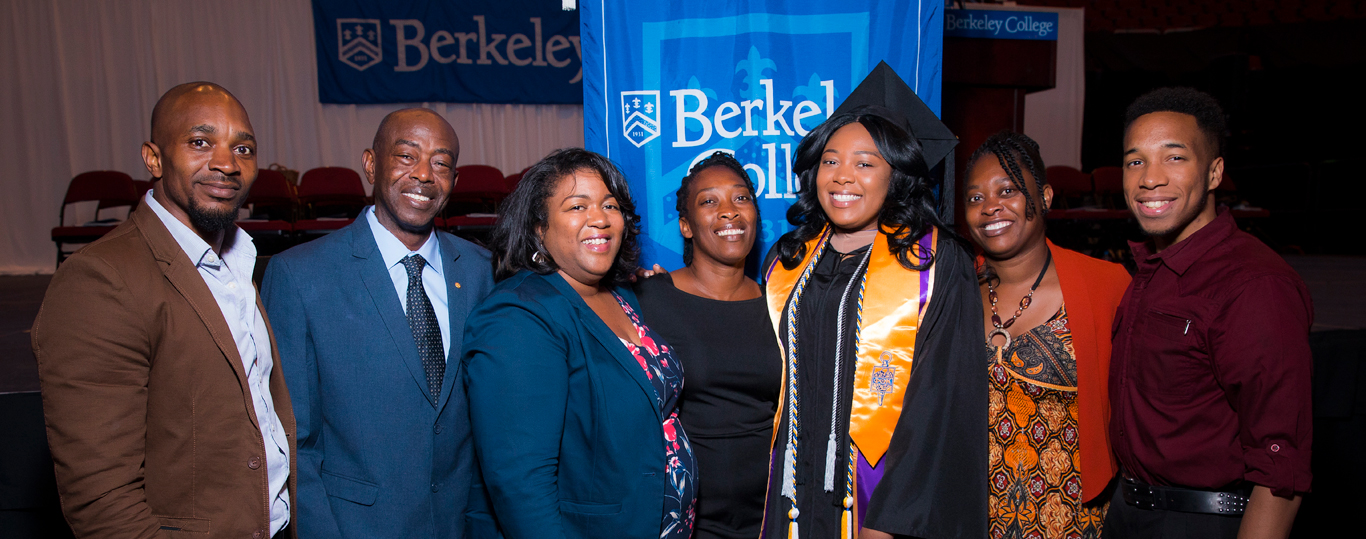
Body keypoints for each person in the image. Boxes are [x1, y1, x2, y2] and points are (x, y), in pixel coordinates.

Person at [32, 82, 294, 538]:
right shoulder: (100, 280)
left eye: (243, 148)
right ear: (153, 158)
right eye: (200, 142)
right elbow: (102, 499)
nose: (227, 163)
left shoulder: (237, 263)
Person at [260, 108, 493, 538]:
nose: (424, 174)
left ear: (455, 182)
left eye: (441, 163)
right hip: (355, 527)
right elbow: (294, 441)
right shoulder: (300, 276)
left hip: (462, 524)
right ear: (370, 164)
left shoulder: (483, 271)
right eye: (406, 156)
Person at [760, 106, 987, 539]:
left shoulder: (932, 263)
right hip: (795, 492)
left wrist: (889, 519)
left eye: (865, 163)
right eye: (831, 160)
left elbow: (940, 402)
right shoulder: (788, 259)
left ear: (896, 175)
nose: (843, 176)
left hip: (880, 496)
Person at [1106, 87, 1312, 539]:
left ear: (1215, 172)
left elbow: (1281, 467)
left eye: (1174, 158)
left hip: (1203, 523)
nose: (1149, 178)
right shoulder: (1149, 271)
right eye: (1134, 160)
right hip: (1129, 513)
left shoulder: (1254, 284)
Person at [462, 148, 697, 539]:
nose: (600, 219)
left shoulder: (623, 297)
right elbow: (522, 487)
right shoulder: (517, 316)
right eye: (576, 206)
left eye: (610, 205)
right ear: (539, 228)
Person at [963, 131, 1131, 538]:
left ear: (1046, 196)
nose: (990, 207)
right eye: (974, 197)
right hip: (967, 516)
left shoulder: (1106, 285)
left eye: (1008, 190)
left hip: (1076, 519)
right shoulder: (953, 289)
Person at [634, 151, 782, 539]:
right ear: (685, 225)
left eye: (741, 198)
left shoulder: (781, 304)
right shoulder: (648, 301)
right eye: (709, 201)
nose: (729, 211)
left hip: (774, 511)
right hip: (688, 516)